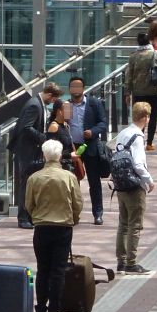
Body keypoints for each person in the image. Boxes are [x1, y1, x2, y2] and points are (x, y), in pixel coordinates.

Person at [25, 140, 82, 312]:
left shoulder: (34, 178)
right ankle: (55, 309)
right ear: (59, 156)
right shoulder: (69, 178)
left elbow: (29, 205)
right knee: (58, 269)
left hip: (41, 227)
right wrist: (73, 218)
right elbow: (77, 203)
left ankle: (40, 308)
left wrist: (36, 216)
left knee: (43, 268)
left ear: (44, 156)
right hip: (63, 226)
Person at [12, 82, 63, 229]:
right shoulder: (34, 105)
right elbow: (26, 127)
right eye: (53, 99)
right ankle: (23, 217)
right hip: (27, 151)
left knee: (30, 183)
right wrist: (43, 138)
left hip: (31, 150)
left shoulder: (38, 104)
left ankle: (28, 216)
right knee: (26, 184)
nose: (53, 102)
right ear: (49, 95)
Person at [114, 103, 155, 276]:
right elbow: (138, 163)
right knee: (135, 225)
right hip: (134, 185)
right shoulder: (137, 137)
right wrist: (149, 180)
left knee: (123, 223)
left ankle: (121, 261)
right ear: (146, 117)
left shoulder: (123, 133)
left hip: (120, 184)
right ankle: (131, 262)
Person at [68, 75, 108, 226]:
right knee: (72, 182)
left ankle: (98, 214)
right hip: (73, 149)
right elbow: (63, 123)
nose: (75, 89)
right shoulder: (66, 105)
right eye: (73, 86)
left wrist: (93, 131)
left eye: (78, 86)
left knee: (94, 182)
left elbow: (103, 123)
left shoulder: (93, 103)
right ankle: (73, 213)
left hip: (90, 147)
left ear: (83, 89)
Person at [126, 28, 157, 151]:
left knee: (139, 116)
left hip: (138, 92)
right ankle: (149, 143)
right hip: (154, 91)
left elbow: (129, 75)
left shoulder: (133, 56)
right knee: (153, 116)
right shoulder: (156, 54)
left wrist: (127, 92)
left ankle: (139, 140)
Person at [46, 102, 76, 173]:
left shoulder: (66, 125)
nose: (70, 112)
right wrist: (69, 155)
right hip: (59, 168)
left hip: (68, 165)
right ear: (59, 111)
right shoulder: (54, 127)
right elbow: (51, 152)